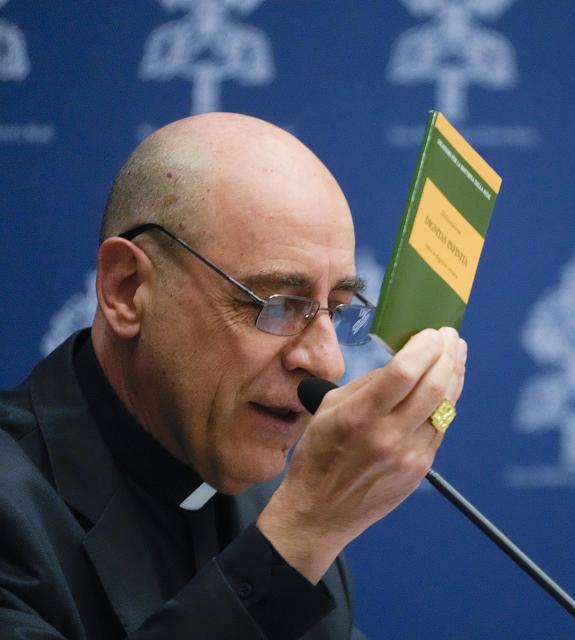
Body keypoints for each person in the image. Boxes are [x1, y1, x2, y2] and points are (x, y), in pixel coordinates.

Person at [0, 113, 467, 638]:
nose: (328, 363)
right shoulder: (297, 528)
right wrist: (298, 537)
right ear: (127, 290)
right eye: (277, 303)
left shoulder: (276, 511)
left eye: (336, 310)